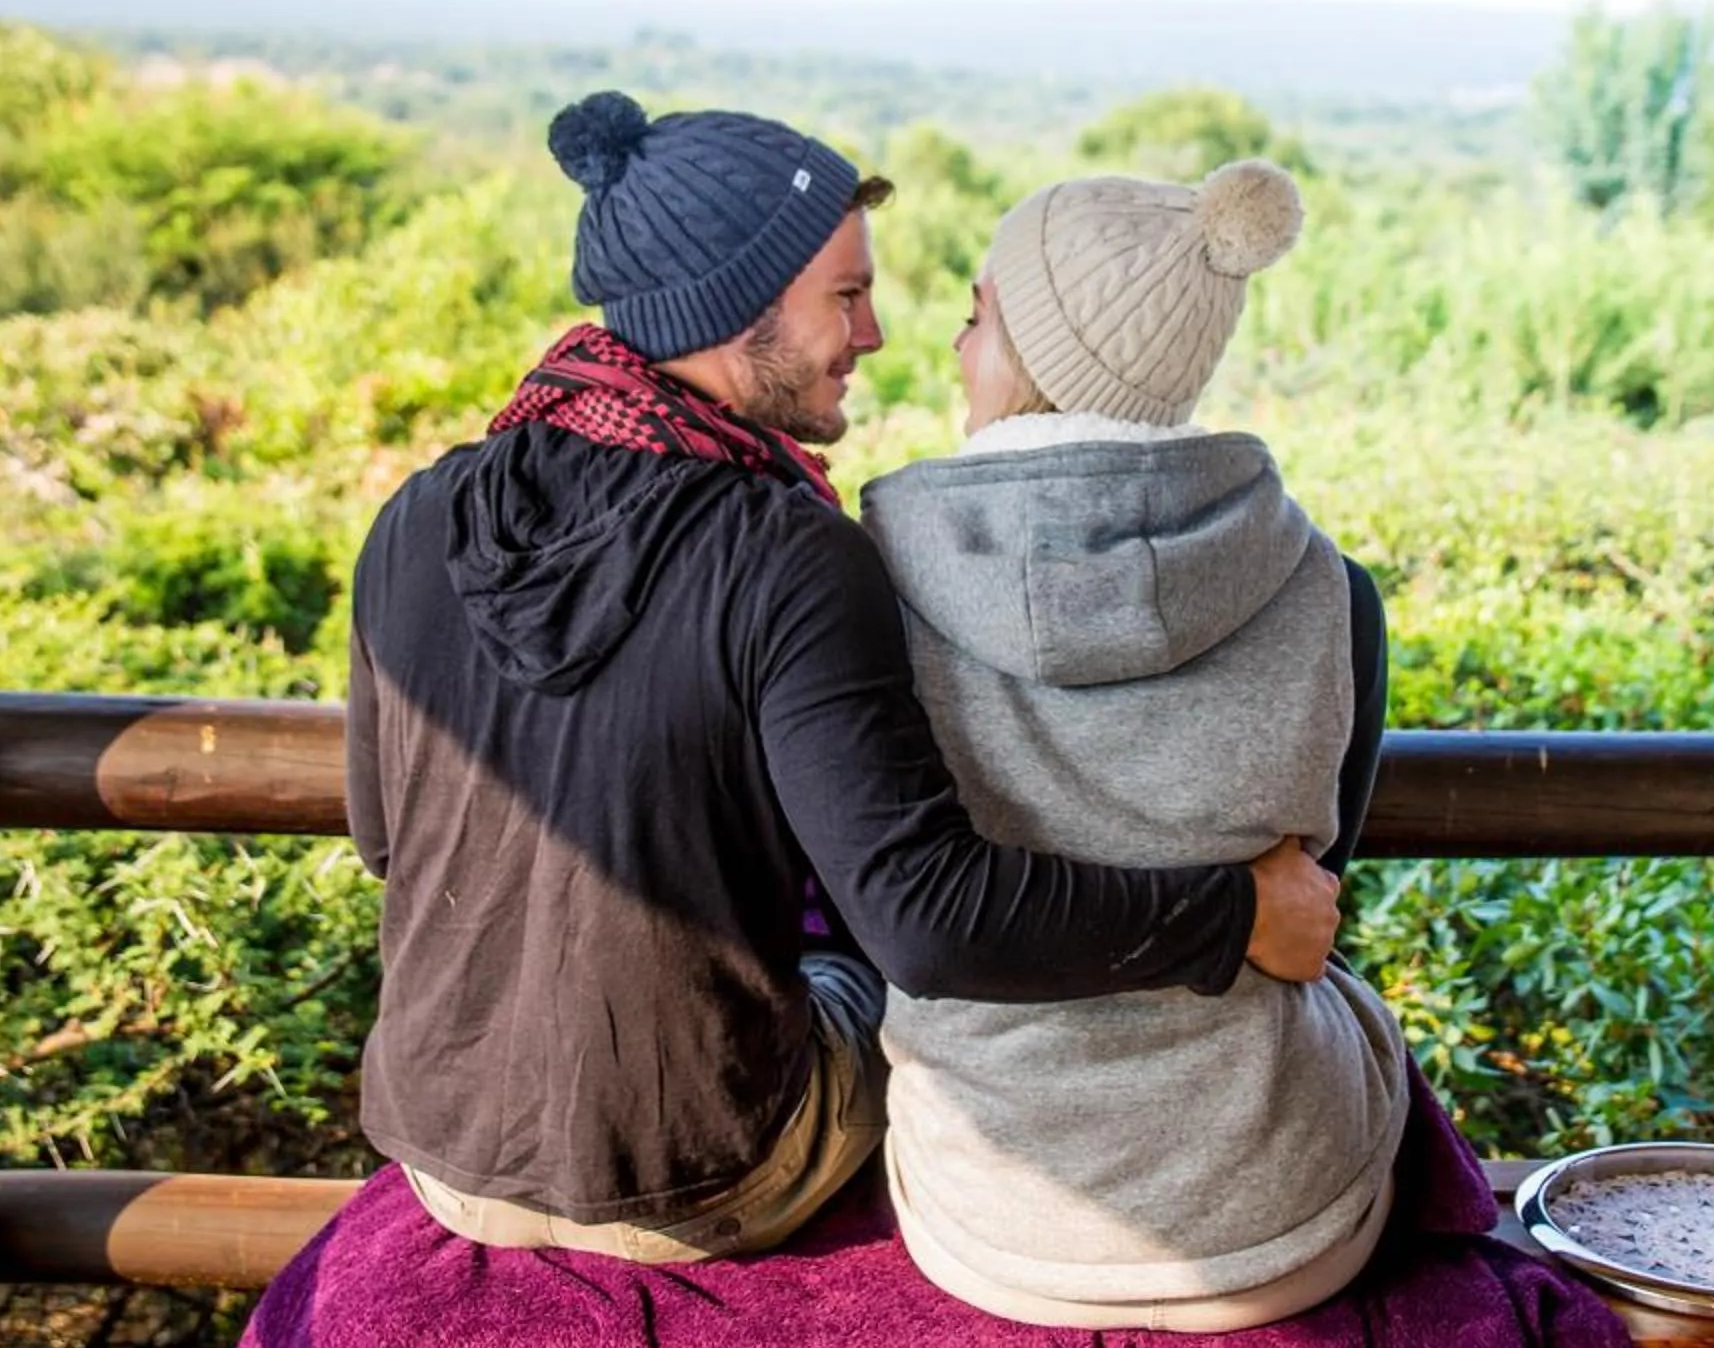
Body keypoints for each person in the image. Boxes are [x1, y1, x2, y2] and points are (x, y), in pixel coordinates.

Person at [344, 93, 1344, 1264]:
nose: (872, 336)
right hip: (705, 1180)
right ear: (733, 310)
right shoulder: (787, 552)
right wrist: (1237, 914)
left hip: (441, 1153)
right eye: (847, 297)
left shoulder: (418, 512)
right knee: (871, 985)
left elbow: (381, 835)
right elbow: (924, 923)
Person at [859, 160, 1413, 1331]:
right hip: (1281, 1218)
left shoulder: (871, 581)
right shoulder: (1330, 590)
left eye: (976, 316)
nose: (956, 350)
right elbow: (1313, 893)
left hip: (995, 1222)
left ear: (1034, 355)